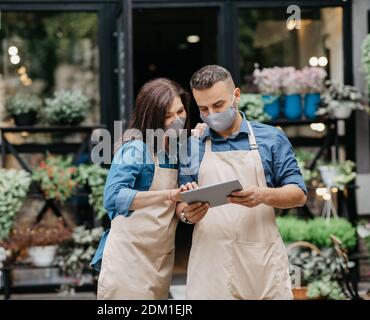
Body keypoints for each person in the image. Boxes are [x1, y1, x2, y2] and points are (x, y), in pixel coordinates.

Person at [178, 65, 307, 300]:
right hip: (210, 266)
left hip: (261, 263)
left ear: (236, 95)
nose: (211, 114)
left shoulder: (271, 138)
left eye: (218, 105)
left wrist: (262, 195)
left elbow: (298, 194)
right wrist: (188, 214)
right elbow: (181, 204)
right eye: (203, 108)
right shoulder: (191, 146)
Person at [91, 78, 197, 299]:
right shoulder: (136, 148)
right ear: (153, 119)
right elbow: (113, 197)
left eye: (180, 111)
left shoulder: (178, 148)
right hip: (128, 259)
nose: (177, 120)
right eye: (168, 116)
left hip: (160, 258)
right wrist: (169, 194)